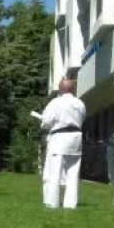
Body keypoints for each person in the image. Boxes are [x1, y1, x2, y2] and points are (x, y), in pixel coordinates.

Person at [39, 78, 87, 209]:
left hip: (60, 137)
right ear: (73, 89)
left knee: (55, 170)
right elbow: (82, 118)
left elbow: (47, 121)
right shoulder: (80, 103)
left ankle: (52, 202)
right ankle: (70, 204)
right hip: (76, 137)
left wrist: (43, 123)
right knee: (73, 171)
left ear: (60, 90)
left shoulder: (56, 102)